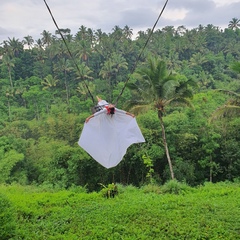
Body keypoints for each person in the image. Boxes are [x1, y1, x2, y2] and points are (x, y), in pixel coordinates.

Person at [78, 96, 145, 169]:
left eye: (110, 105)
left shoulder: (106, 110)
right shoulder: (108, 107)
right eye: (110, 105)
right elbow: (124, 112)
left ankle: (98, 98)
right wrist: (89, 118)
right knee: (101, 100)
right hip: (103, 106)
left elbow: (97, 114)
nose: (110, 105)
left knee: (100, 101)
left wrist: (89, 118)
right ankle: (98, 98)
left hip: (102, 111)